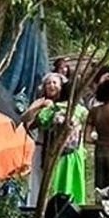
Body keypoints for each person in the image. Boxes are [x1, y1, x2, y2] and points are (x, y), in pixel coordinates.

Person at [21, 72, 89, 206]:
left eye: (54, 83)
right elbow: (27, 121)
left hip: (64, 151)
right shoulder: (43, 104)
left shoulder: (70, 108)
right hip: (47, 148)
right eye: (48, 83)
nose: (51, 86)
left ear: (62, 86)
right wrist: (39, 107)